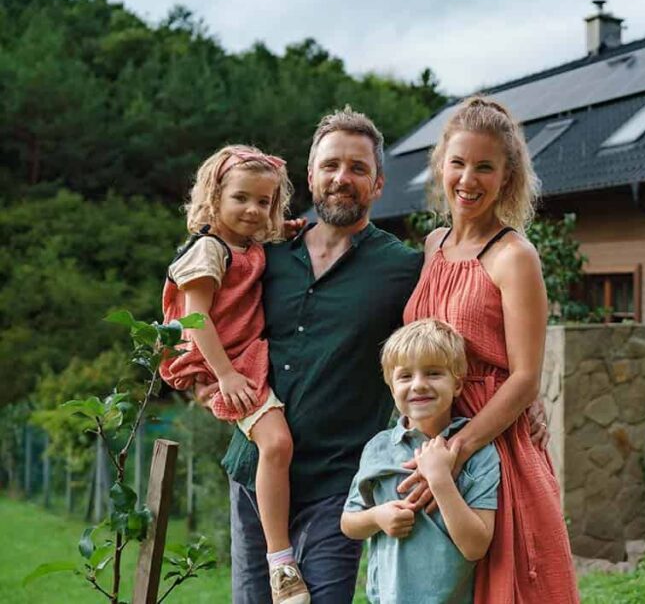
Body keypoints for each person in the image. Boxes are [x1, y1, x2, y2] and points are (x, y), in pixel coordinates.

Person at [210, 108, 423, 603]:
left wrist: (529, 397)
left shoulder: (403, 269)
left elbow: (451, 339)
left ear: (378, 184)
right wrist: (206, 379)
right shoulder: (262, 254)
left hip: (337, 483)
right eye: (330, 165)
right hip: (254, 473)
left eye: (358, 168)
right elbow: (202, 314)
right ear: (310, 176)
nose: (341, 178)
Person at [402, 96, 579, 602]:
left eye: (484, 167)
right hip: (431, 441)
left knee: (508, 586)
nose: (468, 179)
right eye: (458, 163)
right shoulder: (433, 246)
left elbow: (524, 377)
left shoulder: (514, 256)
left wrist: (457, 451)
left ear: (507, 177)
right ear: (441, 165)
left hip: (493, 446)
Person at [160, 145, 311, 604]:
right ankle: (280, 562)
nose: (253, 210)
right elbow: (196, 319)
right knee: (277, 443)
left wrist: (286, 230)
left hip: (244, 355)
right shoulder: (209, 250)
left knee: (277, 445)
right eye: (241, 198)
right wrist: (224, 375)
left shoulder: (249, 244)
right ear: (214, 197)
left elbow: (265, 238)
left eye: (264, 202)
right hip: (221, 360)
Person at [341, 318, 500, 603]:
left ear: (457, 384)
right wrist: (377, 517)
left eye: (433, 373)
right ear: (392, 388)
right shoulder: (378, 448)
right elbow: (349, 523)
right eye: (405, 376)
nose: (419, 385)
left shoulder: (479, 453)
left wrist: (440, 479)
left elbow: (476, 547)